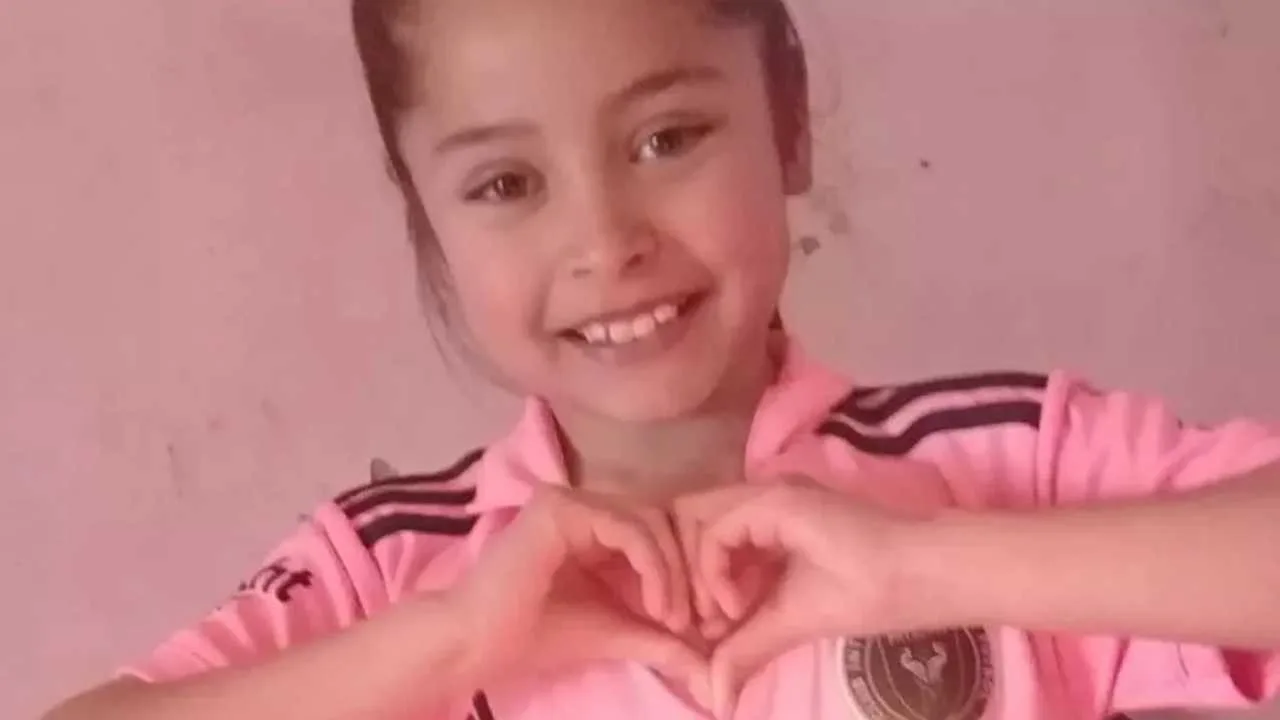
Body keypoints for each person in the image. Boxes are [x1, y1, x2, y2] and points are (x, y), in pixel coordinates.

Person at [43, 0, 1280, 718]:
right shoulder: (388, 570)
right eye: (506, 183)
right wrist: (451, 639)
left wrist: (928, 569)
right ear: (427, 216)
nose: (604, 242)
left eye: (664, 138)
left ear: (784, 122)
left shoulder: (1005, 463)